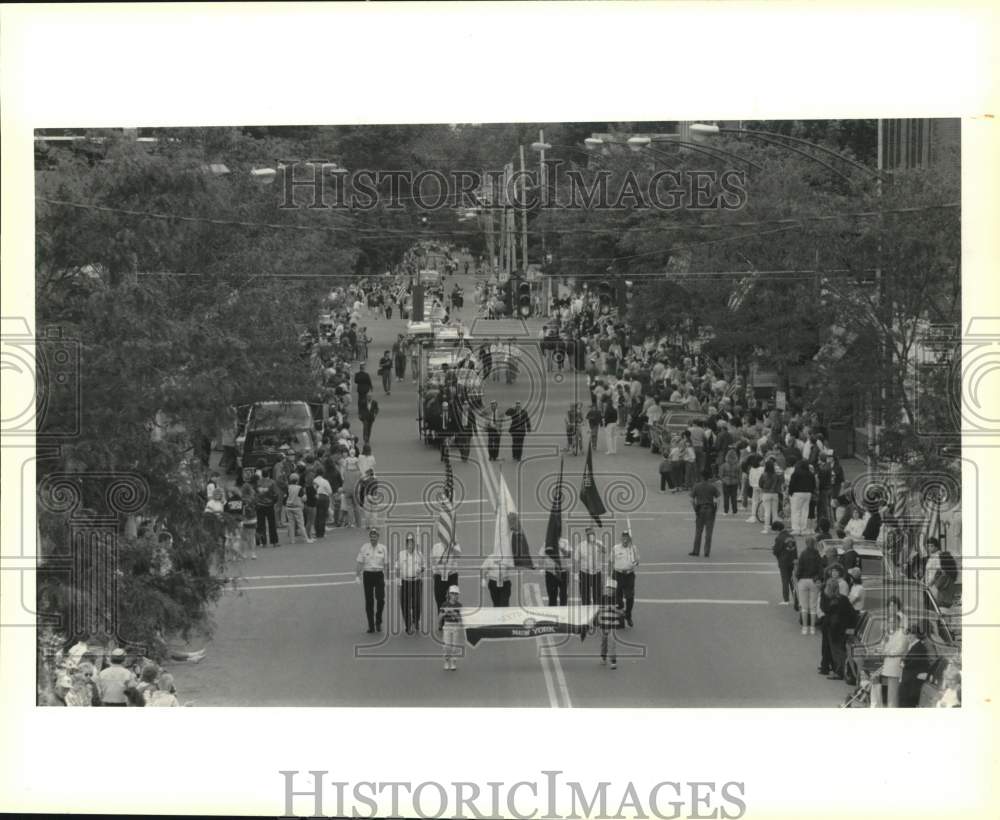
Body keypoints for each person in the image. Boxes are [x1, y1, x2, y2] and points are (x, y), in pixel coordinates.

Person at [822, 578, 857, 681]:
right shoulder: (843, 599)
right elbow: (852, 613)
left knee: (837, 651)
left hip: (835, 630)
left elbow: (830, 615)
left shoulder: (831, 601)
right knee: (841, 650)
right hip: (844, 629)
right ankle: (842, 671)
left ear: (829, 588)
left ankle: (839, 672)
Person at [355, 528, 387, 633]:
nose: (373, 538)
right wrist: (357, 575)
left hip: (379, 574)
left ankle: (378, 621)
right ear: (370, 538)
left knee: (381, 599)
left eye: (375, 537)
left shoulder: (383, 548)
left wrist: (388, 578)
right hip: (368, 575)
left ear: (378, 537)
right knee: (369, 601)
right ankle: (371, 625)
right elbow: (360, 562)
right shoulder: (364, 548)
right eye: (371, 537)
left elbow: (386, 564)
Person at [396, 533, 425, 635]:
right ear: (406, 544)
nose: (410, 545)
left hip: (416, 581)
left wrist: (420, 569)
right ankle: (408, 626)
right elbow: (397, 568)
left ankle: (415, 620)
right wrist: (398, 582)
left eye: (412, 543)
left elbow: (424, 566)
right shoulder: (401, 554)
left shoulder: (419, 554)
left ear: (414, 544)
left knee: (417, 604)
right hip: (405, 581)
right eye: (408, 543)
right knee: (405, 605)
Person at [878, 612, 909, 705]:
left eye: (894, 622)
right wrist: (884, 641)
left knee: (893, 694)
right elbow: (882, 647)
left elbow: (900, 650)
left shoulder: (902, 634)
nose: (891, 624)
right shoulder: (889, 634)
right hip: (888, 666)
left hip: (896, 667)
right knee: (889, 693)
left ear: (898, 622)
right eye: (890, 622)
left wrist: (887, 652)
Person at [795, 536, 822, 635]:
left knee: (804, 606)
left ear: (806, 543)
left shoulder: (803, 554)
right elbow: (820, 569)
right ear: (814, 543)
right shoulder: (817, 554)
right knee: (813, 606)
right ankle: (812, 628)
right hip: (814, 581)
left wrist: (798, 577)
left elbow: (799, 568)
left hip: (803, 580)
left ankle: (805, 627)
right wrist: (818, 578)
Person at [689, 469, 719, 558]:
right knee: (709, 532)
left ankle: (696, 551)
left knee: (698, 531)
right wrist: (716, 509)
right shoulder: (712, 487)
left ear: (701, 477)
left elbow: (691, 499)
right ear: (709, 477)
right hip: (710, 509)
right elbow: (718, 499)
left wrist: (695, 508)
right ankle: (706, 552)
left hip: (700, 509)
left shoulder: (696, 486)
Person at [612, 529, 640, 626]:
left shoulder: (633, 548)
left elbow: (637, 562)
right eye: (623, 537)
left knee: (630, 597)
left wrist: (635, 561)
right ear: (621, 538)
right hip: (618, 574)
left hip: (629, 575)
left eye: (627, 537)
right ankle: (620, 607)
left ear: (629, 539)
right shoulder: (615, 548)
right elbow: (611, 561)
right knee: (616, 594)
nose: (625, 539)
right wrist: (608, 576)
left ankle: (628, 616)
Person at [598, 579, 625, 670]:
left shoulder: (618, 600)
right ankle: (603, 656)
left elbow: (622, 613)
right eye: (607, 589)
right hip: (603, 623)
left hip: (613, 624)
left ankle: (613, 661)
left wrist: (614, 609)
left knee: (612, 642)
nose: (608, 591)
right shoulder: (602, 598)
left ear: (614, 590)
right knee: (604, 642)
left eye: (611, 589)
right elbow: (598, 610)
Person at [771, 521, 798, 606]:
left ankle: (786, 599)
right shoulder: (791, 536)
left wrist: (774, 549)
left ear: (777, 529)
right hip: (792, 561)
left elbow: (776, 551)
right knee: (792, 581)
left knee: (785, 580)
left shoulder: (779, 538)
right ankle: (796, 599)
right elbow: (794, 549)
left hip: (783, 562)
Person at [254, 462, 281, 548]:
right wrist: (274, 501)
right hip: (269, 505)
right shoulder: (272, 482)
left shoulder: (258, 483)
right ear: (268, 474)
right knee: (272, 524)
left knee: (261, 525)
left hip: (259, 505)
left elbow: (255, 493)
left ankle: (263, 542)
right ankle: (274, 542)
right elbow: (276, 494)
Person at [438, 585, 465, 672]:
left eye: (456, 594)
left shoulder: (459, 605)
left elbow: (461, 619)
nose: (455, 595)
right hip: (447, 625)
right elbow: (440, 615)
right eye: (453, 593)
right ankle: (446, 661)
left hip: (455, 626)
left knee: (454, 646)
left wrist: (454, 613)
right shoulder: (444, 604)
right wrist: (440, 622)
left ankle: (453, 662)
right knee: (446, 645)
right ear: (449, 594)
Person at [431, 537, 462, 611]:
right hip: (439, 575)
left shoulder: (455, 545)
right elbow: (432, 561)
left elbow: (458, 555)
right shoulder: (436, 547)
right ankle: (442, 620)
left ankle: (453, 619)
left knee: (453, 598)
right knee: (439, 599)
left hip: (452, 575)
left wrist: (452, 547)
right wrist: (434, 572)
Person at [574, 528, 603, 606]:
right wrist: (576, 573)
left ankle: (596, 613)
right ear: (586, 536)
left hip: (596, 573)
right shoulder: (580, 545)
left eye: (592, 534)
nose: (590, 536)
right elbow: (576, 560)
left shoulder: (599, 543)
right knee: (585, 596)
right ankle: (586, 614)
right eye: (589, 535)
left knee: (597, 596)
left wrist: (596, 544)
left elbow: (605, 550)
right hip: (584, 573)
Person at [539, 536, 571, 606]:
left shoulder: (565, 542)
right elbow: (541, 556)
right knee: (552, 595)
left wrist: (560, 547)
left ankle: (563, 612)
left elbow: (569, 555)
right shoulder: (546, 543)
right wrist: (541, 568)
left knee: (563, 594)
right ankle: (552, 612)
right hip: (550, 572)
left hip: (563, 572)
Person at [787, 460, 815, 536]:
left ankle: (796, 528)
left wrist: (790, 492)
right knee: (805, 511)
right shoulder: (810, 474)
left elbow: (791, 484)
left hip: (797, 493)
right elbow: (813, 484)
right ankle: (803, 528)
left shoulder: (796, 473)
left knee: (796, 511)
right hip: (807, 493)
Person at [285, 474, 312, 544]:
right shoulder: (299, 488)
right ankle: (306, 539)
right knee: (301, 524)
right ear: (297, 480)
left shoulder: (288, 487)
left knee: (291, 524)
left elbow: (285, 497)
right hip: (297, 507)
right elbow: (304, 498)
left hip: (288, 507)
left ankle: (292, 540)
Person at [757, 459, 782, 533]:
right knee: (775, 513)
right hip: (775, 494)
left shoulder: (763, 474)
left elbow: (760, 484)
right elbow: (779, 484)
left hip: (766, 493)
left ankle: (766, 528)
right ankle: (775, 528)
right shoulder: (776, 475)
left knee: (767, 511)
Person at [312, 467, 333, 539]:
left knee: (317, 515)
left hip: (316, 497)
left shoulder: (313, 481)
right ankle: (321, 533)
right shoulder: (325, 481)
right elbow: (330, 491)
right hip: (324, 497)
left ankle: (317, 532)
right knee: (323, 516)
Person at [719, 448, 741, 515]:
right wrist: (737, 480)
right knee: (734, 497)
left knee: (726, 497)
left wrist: (723, 480)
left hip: (726, 482)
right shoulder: (738, 465)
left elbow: (720, 474)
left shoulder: (724, 465)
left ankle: (726, 511)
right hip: (735, 482)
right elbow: (739, 475)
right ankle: (734, 511)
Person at [240, 481, 258, 560]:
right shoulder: (253, 498)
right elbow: (257, 507)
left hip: (244, 519)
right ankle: (253, 553)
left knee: (243, 538)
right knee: (252, 537)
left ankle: (244, 554)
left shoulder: (241, 499)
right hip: (253, 519)